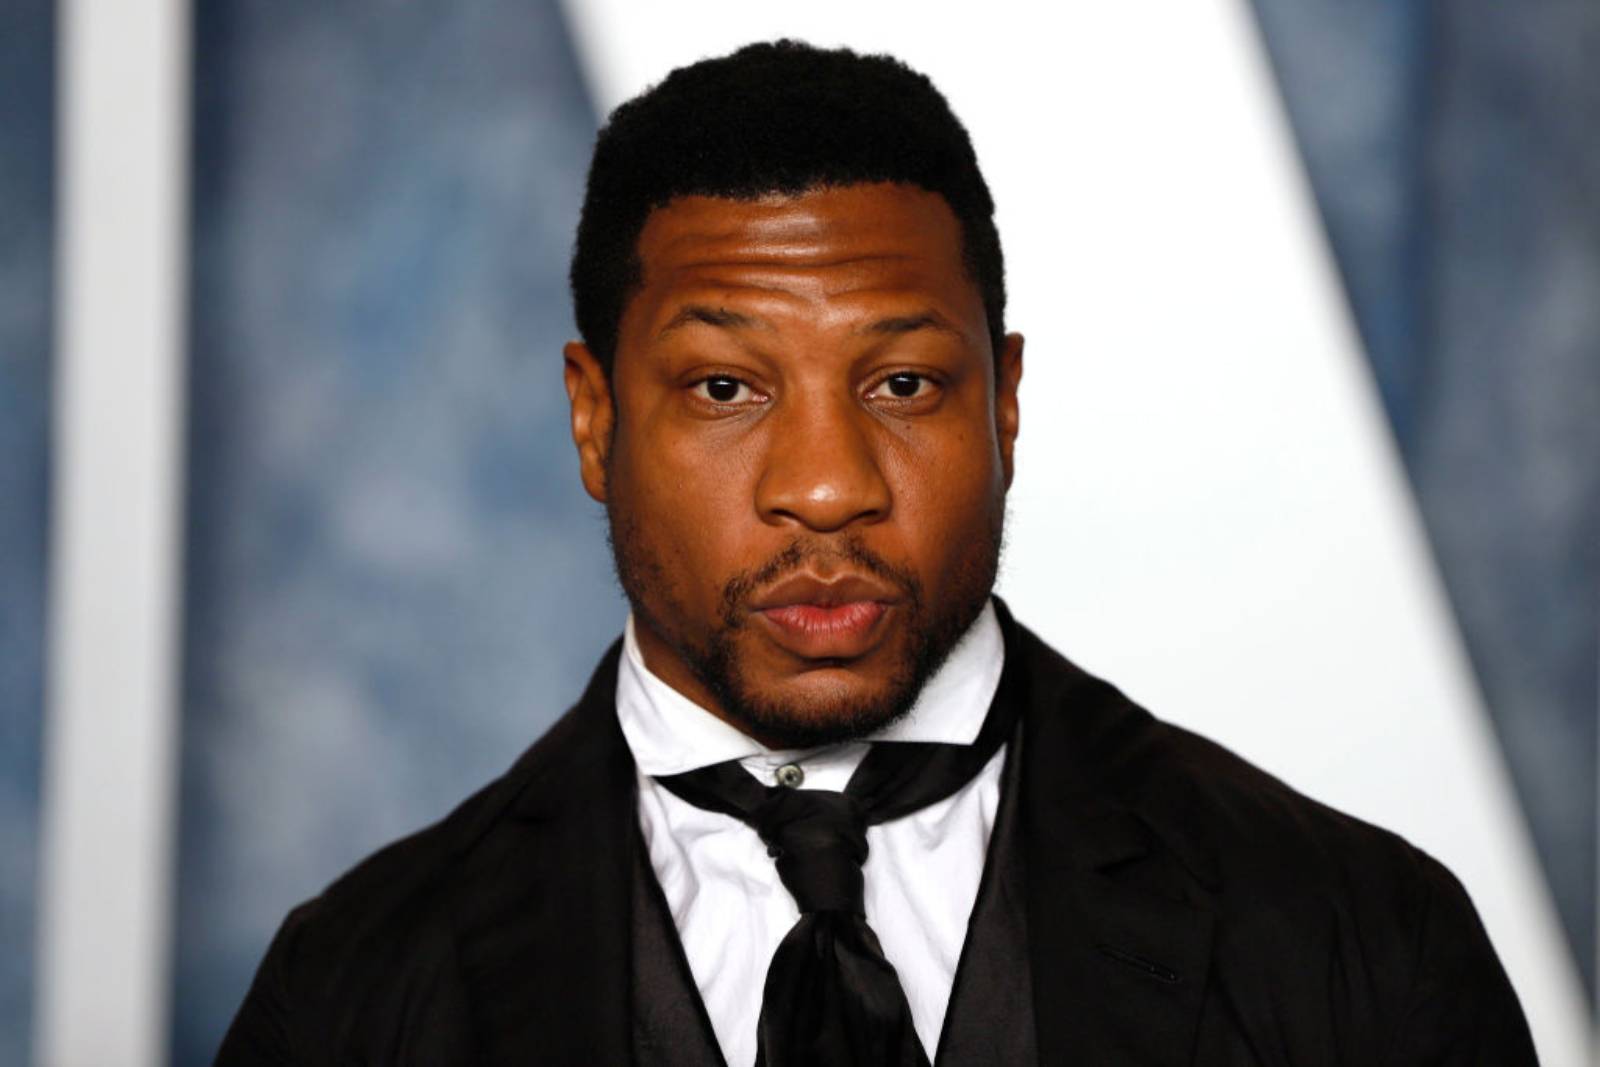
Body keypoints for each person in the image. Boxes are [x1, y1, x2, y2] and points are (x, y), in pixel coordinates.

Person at [216, 40, 1537, 1066]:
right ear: (594, 416)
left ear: (1004, 405)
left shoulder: (1361, 944)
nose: (828, 487)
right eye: (726, 389)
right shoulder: (354, 999)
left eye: (902, 383)